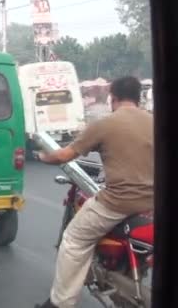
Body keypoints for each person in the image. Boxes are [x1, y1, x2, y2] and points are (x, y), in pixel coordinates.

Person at [35, 76, 154, 308]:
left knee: (74, 239)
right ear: (138, 97)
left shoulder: (105, 124)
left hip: (118, 203)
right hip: (153, 202)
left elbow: (64, 155)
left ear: (113, 97)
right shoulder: (154, 121)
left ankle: (60, 303)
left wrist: (41, 157)